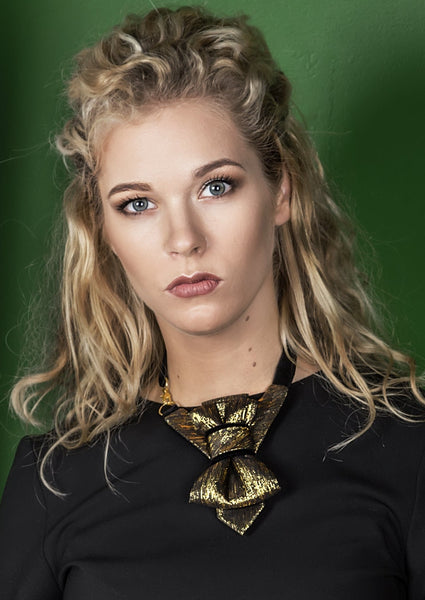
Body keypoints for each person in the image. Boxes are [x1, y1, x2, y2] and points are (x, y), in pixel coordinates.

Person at [0, 5, 424, 599]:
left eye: (215, 186)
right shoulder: (52, 482)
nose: (183, 239)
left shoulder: (409, 445)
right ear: (103, 231)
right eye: (137, 204)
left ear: (282, 191)